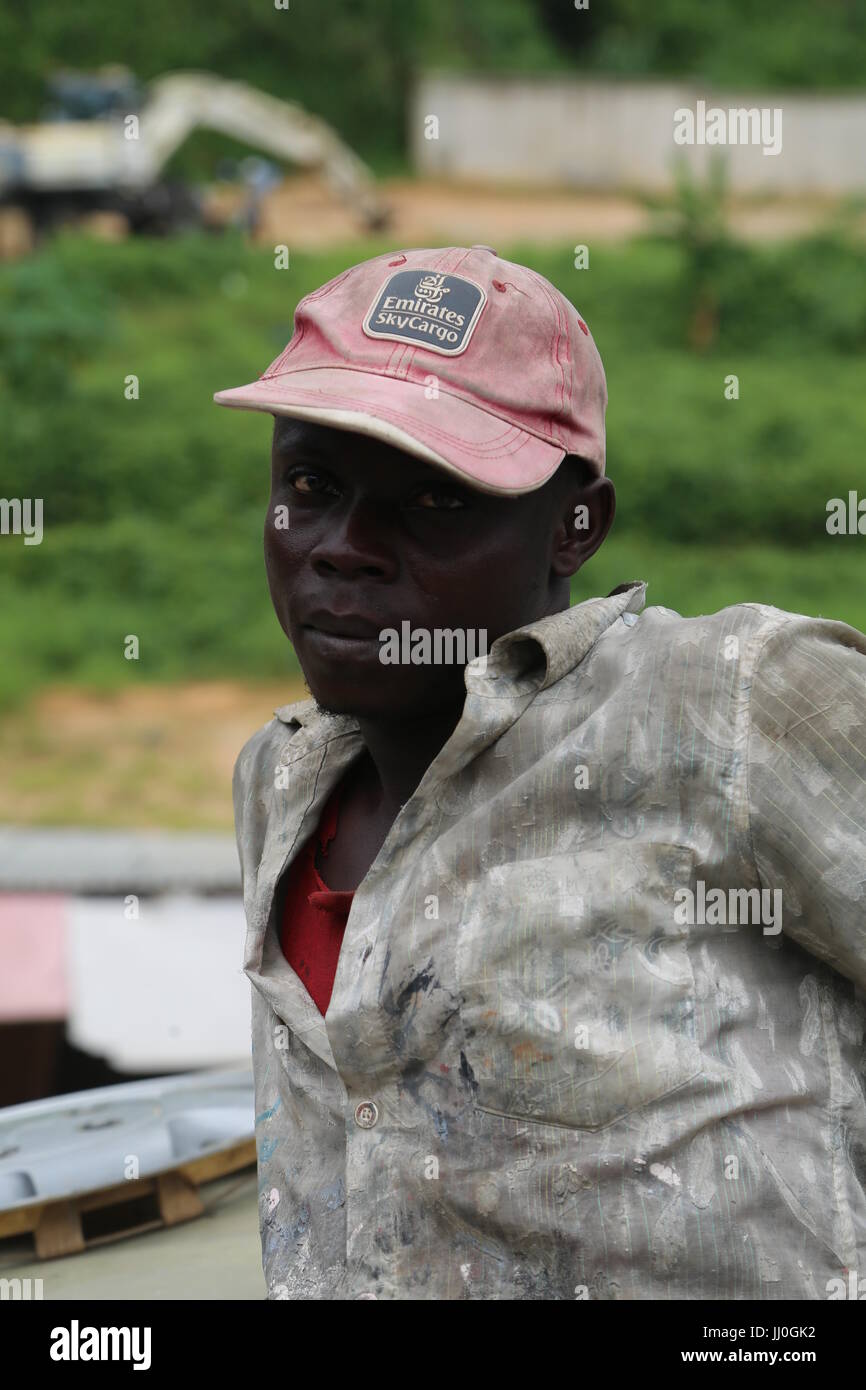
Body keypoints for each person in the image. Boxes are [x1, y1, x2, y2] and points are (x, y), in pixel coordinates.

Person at [214, 245, 866, 1301]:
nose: (343, 547)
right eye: (309, 486)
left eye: (432, 502)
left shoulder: (730, 707)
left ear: (576, 526)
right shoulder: (276, 783)